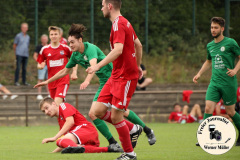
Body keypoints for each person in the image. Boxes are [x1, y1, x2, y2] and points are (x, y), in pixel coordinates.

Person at [34, 23, 156, 149]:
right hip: (105, 82)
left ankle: (145, 130)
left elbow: (93, 65)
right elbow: (64, 71)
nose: (70, 45)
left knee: (119, 112)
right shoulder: (75, 55)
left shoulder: (90, 48)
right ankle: (116, 141)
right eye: (69, 43)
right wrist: (47, 81)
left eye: (72, 42)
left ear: (80, 40)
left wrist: (87, 80)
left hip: (115, 78)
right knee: (95, 113)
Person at [86, 0, 143, 159]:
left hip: (125, 78)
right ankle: (132, 129)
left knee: (117, 116)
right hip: (116, 76)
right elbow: (138, 45)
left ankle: (130, 154)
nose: (101, 8)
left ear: (110, 6)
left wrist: (97, 66)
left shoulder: (118, 24)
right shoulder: (125, 22)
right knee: (96, 111)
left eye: (103, 5)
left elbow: (118, 50)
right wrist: (138, 66)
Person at [193, 17, 240, 146]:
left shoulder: (230, 43)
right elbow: (209, 61)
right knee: (208, 107)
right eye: (212, 27)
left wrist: (235, 70)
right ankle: (203, 137)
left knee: (230, 112)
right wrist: (199, 74)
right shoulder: (210, 45)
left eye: (216, 28)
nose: (213, 30)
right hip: (214, 82)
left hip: (228, 83)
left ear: (222, 29)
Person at [39, 97, 123, 153]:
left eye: (46, 108)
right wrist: (53, 152)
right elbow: (66, 141)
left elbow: (70, 122)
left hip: (86, 130)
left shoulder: (63, 106)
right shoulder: (60, 119)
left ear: (54, 104)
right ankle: (109, 149)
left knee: (59, 141)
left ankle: (79, 147)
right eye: (44, 111)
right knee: (61, 142)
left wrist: (55, 138)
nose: (46, 112)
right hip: (84, 138)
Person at [37, 26, 78, 107]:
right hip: (51, 81)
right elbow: (39, 63)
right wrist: (40, 66)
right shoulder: (44, 49)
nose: (53, 36)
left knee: (56, 103)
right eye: (52, 34)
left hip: (63, 80)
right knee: (57, 107)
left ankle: (69, 118)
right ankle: (69, 117)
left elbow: (74, 60)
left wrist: (74, 72)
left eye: (55, 34)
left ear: (60, 35)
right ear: (49, 36)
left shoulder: (65, 48)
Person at [33, 34, 49, 100]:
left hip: (49, 65)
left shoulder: (49, 46)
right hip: (42, 66)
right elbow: (35, 55)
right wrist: (39, 62)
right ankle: (39, 94)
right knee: (40, 79)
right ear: (41, 40)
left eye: (45, 39)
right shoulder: (39, 47)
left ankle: (49, 93)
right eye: (43, 39)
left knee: (48, 80)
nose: (44, 40)